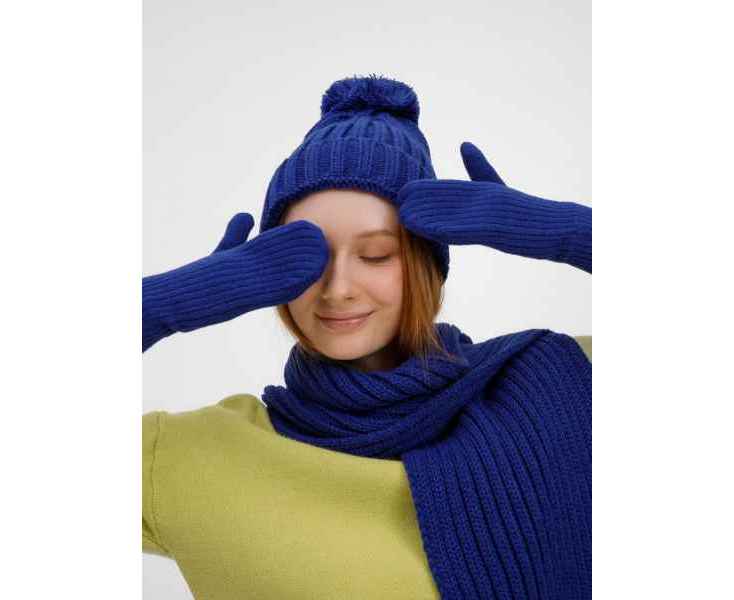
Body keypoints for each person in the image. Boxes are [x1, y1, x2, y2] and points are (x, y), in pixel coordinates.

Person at [142, 74, 592, 600]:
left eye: (376, 255)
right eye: (304, 257)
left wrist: (567, 233)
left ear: (425, 266)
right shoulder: (191, 457)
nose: (338, 289)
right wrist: (162, 306)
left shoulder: (564, 386)